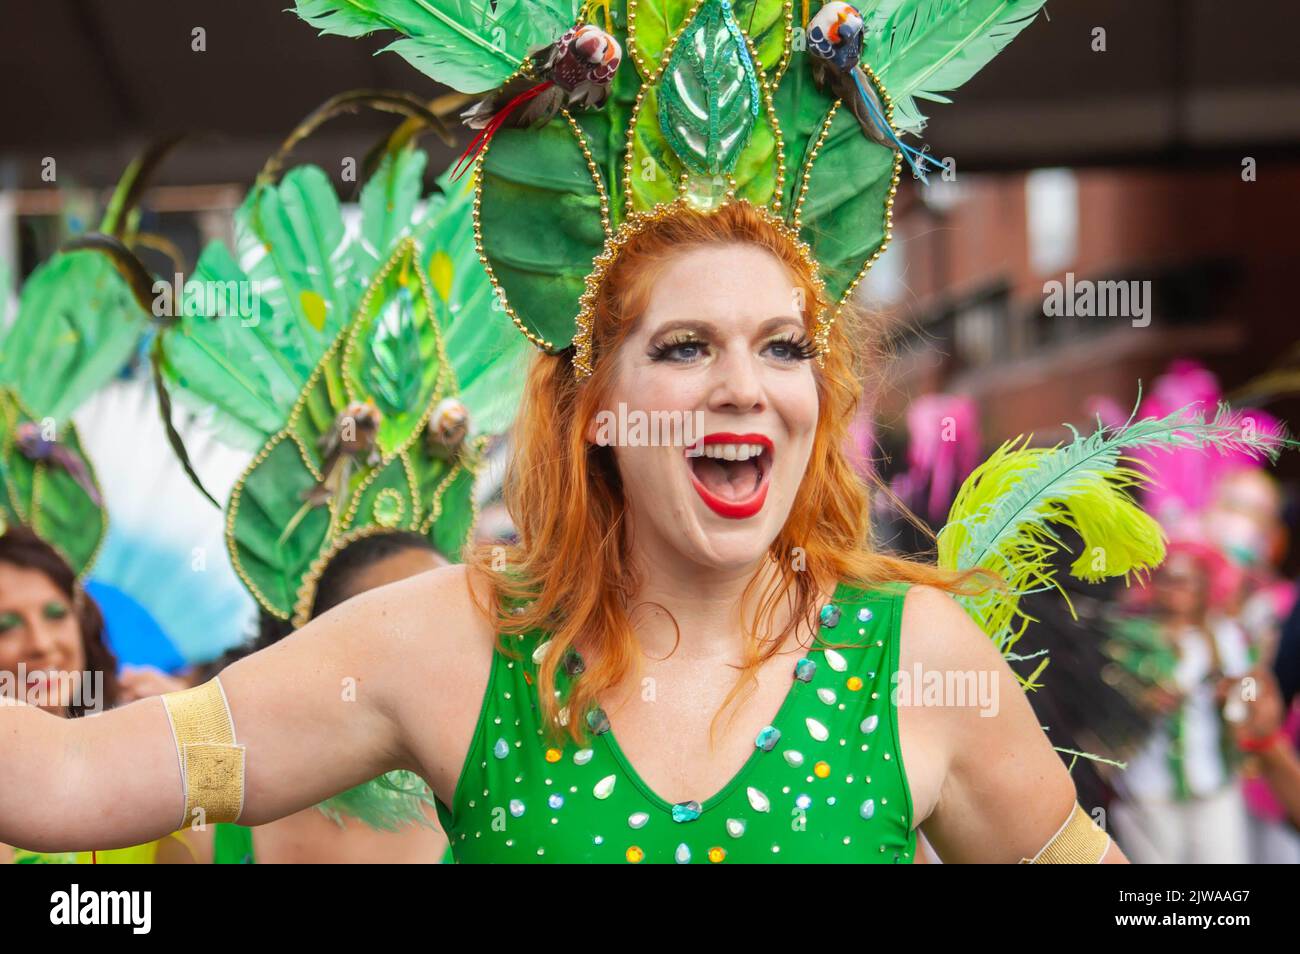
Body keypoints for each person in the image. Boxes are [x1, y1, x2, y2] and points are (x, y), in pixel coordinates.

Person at [1109, 542, 1254, 863]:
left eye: (1185, 580)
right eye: (1167, 579)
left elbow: (1250, 691)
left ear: (1204, 587)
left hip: (1213, 778)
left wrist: (1234, 694)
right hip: (1149, 786)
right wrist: (1145, 701)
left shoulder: (1222, 635)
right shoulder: (1128, 635)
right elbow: (1106, 703)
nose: (1175, 589)